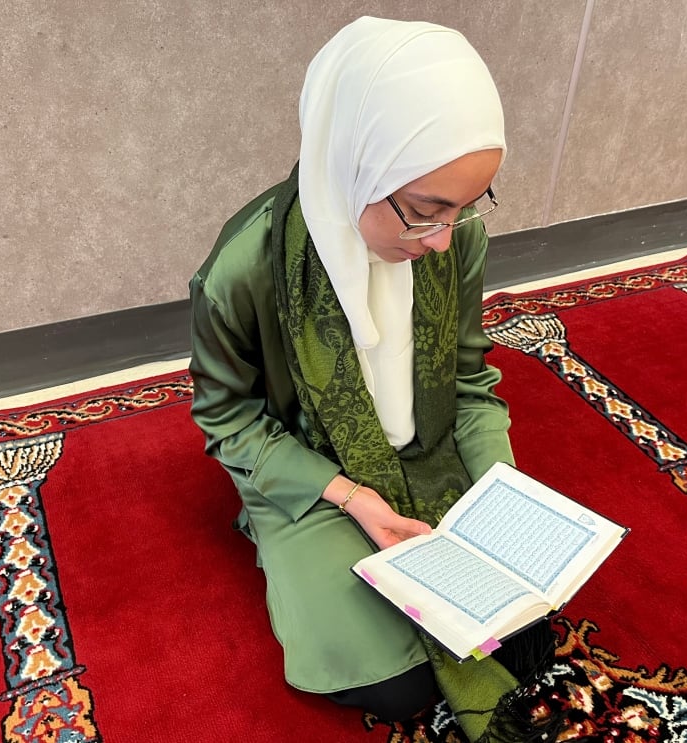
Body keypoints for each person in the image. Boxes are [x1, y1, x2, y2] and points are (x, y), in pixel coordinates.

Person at [189, 16, 556, 742]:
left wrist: (504, 498)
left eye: (466, 207)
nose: (444, 239)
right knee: (396, 684)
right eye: (423, 213)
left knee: (520, 627)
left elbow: (467, 379)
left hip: (430, 451)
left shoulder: (456, 239)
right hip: (311, 470)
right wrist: (353, 497)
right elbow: (228, 420)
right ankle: (279, 536)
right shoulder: (244, 270)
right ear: (354, 164)